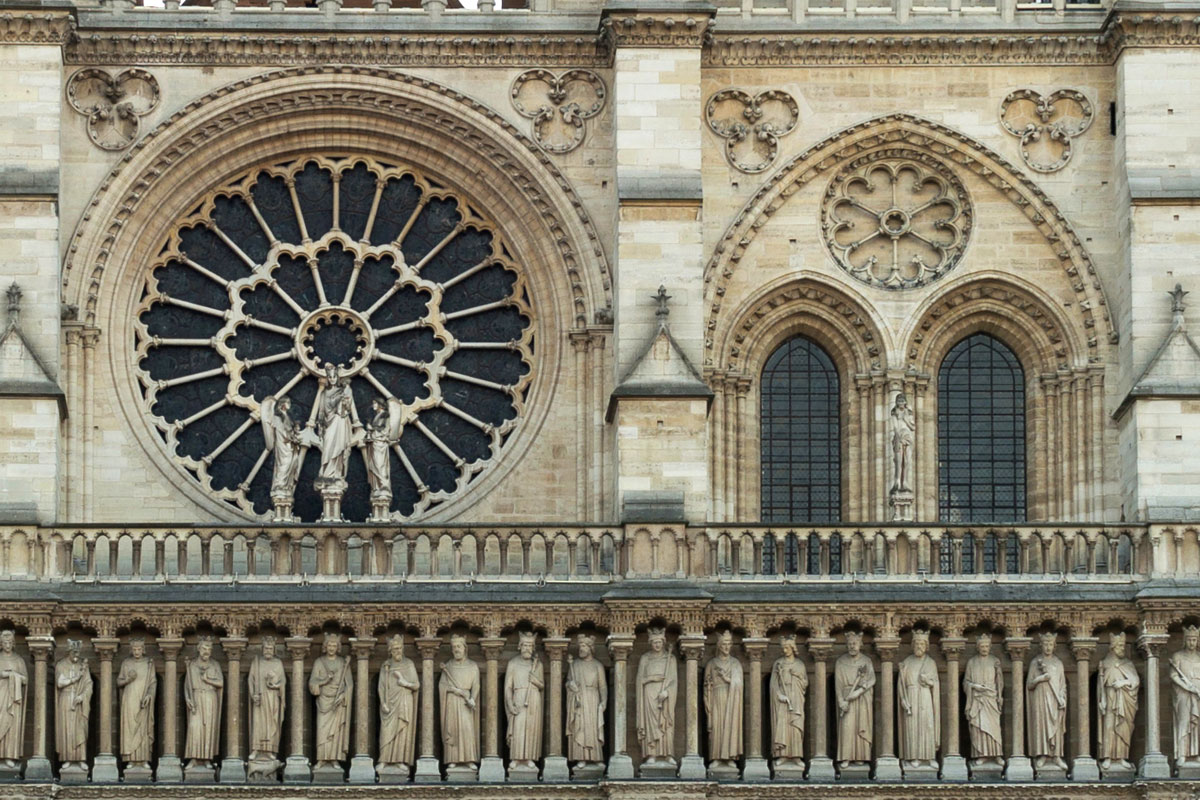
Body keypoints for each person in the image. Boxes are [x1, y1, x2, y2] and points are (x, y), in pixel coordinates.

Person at [636, 628, 678, 765]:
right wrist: (652, 678)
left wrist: (667, 692)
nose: (657, 645)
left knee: (666, 722)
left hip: (664, 695)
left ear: (663, 642)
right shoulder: (645, 658)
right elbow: (639, 680)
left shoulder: (670, 659)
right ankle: (651, 754)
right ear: (650, 643)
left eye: (659, 642)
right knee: (651, 724)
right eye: (654, 642)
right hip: (649, 694)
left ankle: (668, 754)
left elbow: (674, 681)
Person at [116, 637, 156, 769]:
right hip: (129, 699)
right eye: (134, 649)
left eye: (139, 649)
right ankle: (131, 760)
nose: (137, 652)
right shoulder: (126, 663)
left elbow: (153, 683)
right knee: (129, 729)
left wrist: (149, 695)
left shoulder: (149, 663)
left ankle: (144, 759)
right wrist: (128, 679)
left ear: (143, 649)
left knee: (143, 728)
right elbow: (119, 682)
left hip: (143, 700)